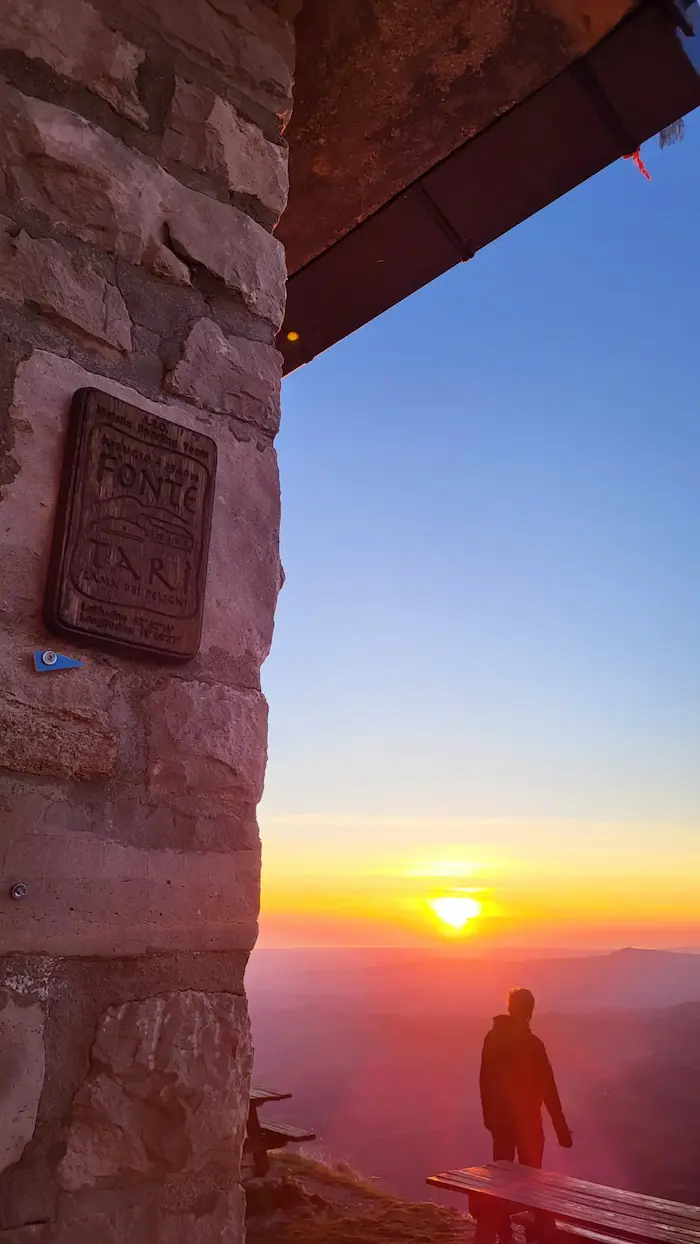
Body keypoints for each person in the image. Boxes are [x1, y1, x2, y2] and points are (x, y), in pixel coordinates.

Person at [475, 987, 572, 1244]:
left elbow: (484, 1081)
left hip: (500, 1124)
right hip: (528, 1124)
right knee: (533, 1183)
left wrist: (489, 1118)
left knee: (502, 1180)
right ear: (530, 1011)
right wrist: (561, 1128)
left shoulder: (492, 1038)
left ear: (509, 1008)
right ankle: (534, 1237)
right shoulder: (533, 1045)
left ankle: (505, 1235)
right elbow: (548, 1088)